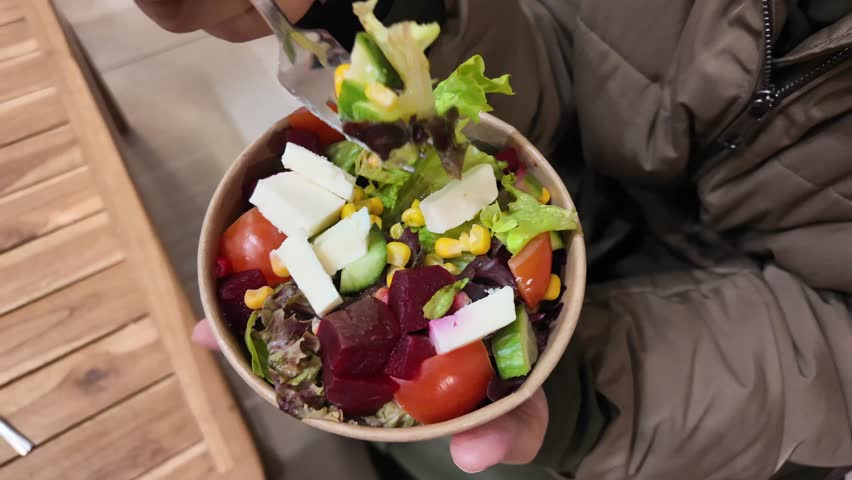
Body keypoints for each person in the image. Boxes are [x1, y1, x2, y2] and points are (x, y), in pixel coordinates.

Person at [141, 0, 852, 478]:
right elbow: (578, 47)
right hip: (553, 198)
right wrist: (379, 18)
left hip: (737, 389)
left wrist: (588, 399)